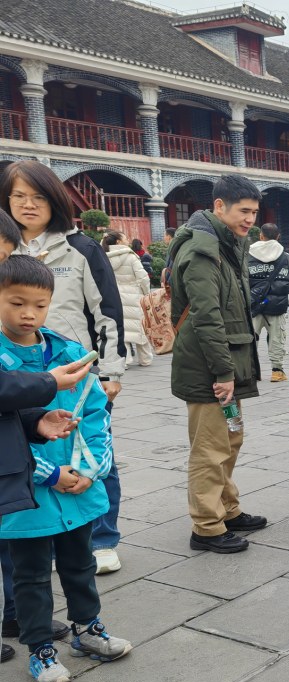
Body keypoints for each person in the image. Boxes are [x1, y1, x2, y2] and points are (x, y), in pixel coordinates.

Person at [0, 255, 132, 682]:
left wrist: (92, 471)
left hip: (77, 488)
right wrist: (50, 472)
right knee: (31, 575)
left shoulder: (69, 352)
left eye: (38, 305)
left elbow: (96, 413)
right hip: (27, 494)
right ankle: (40, 647)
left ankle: (87, 629)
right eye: (16, 302)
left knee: (81, 563)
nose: (27, 314)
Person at [0, 161, 127, 582]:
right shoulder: (4, 248)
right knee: (24, 452)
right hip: (16, 367)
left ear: (55, 200)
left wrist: (109, 371)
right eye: (18, 196)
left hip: (73, 369)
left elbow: (107, 310)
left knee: (90, 446)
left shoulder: (81, 249)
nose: (28, 204)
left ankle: (102, 538)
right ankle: (39, 533)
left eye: (37, 196)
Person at [168, 175, 267, 554]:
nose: (249, 220)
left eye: (255, 213)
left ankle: (227, 508)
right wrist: (224, 373)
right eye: (244, 211)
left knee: (230, 438)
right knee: (210, 448)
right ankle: (206, 527)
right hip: (210, 370)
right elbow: (206, 317)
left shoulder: (229, 244)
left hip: (229, 364)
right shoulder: (202, 250)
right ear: (220, 206)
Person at [247, 223, 289, 383]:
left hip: (253, 306)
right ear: (278, 236)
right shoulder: (286, 257)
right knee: (276, 339)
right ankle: (277, 371)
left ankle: (252, 371)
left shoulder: (248, 255)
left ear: (261, 236)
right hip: (277, 306)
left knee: (249, 339)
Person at [101, 230, 153, 373]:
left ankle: (126, 358)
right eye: (125, 238)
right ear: (118, 242)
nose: (128, 240)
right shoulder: (130, 257)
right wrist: (146, 293)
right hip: (133, 295)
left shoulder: (103, 257)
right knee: (140, 326)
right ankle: (145, 358)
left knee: (121, 327)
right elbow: (143, 278)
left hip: (114, 296)